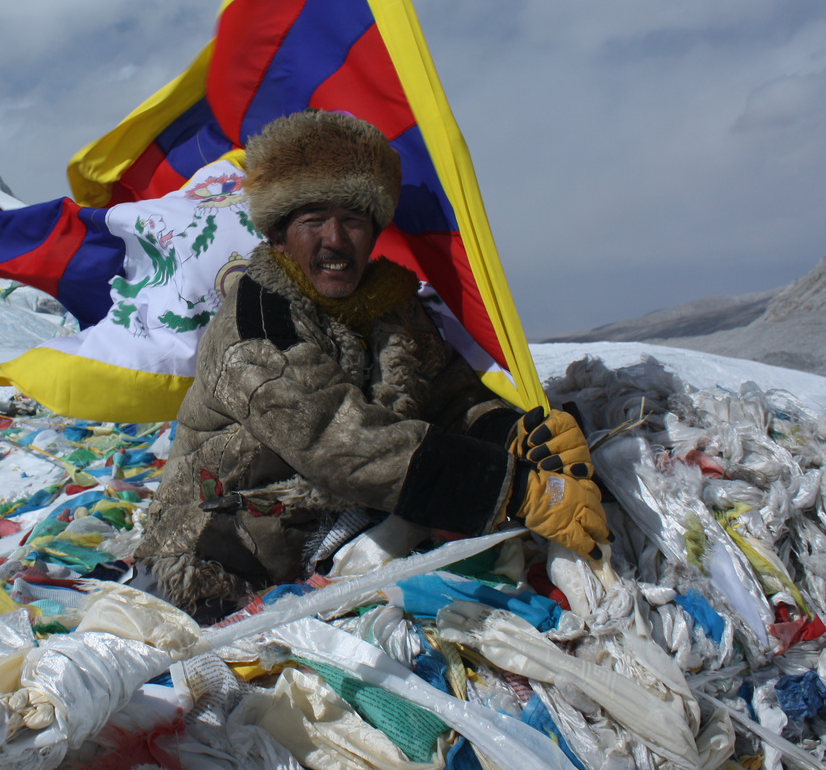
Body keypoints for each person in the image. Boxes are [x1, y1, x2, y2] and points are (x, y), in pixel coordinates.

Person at [133, 111, 608, 618]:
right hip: (216, 559)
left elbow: (449, 396)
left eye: (354, 220)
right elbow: (338, 442)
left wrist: (512, 436)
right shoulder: (256, 326)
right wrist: (509, 486)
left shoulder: (392, 305)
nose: (335, 239)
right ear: (278, 234)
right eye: (313, 219)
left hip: (327, 537)